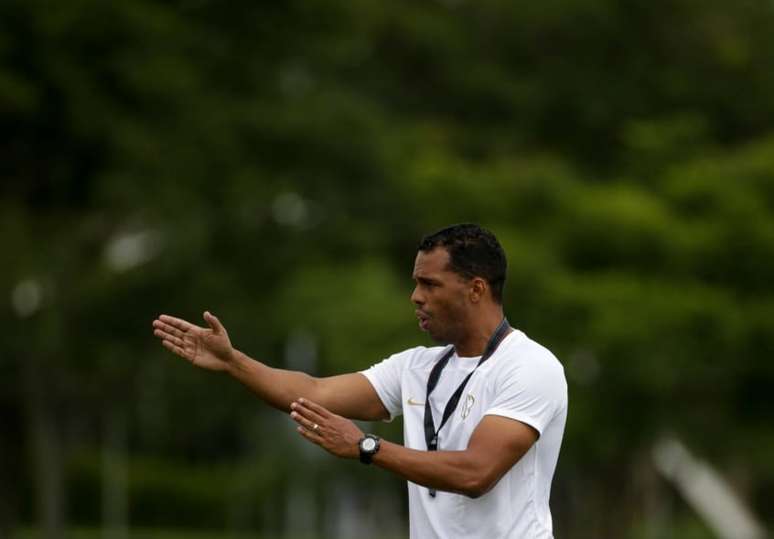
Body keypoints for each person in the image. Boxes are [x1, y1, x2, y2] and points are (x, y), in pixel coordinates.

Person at [152, 223, 567, 539]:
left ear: (476, 289)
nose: (415, 297)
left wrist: (366, 447)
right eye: (415, 283)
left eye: (429, 284)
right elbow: (313, 392)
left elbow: (476, 473)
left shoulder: (529, 366)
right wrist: (233, 362)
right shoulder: (417, 367)